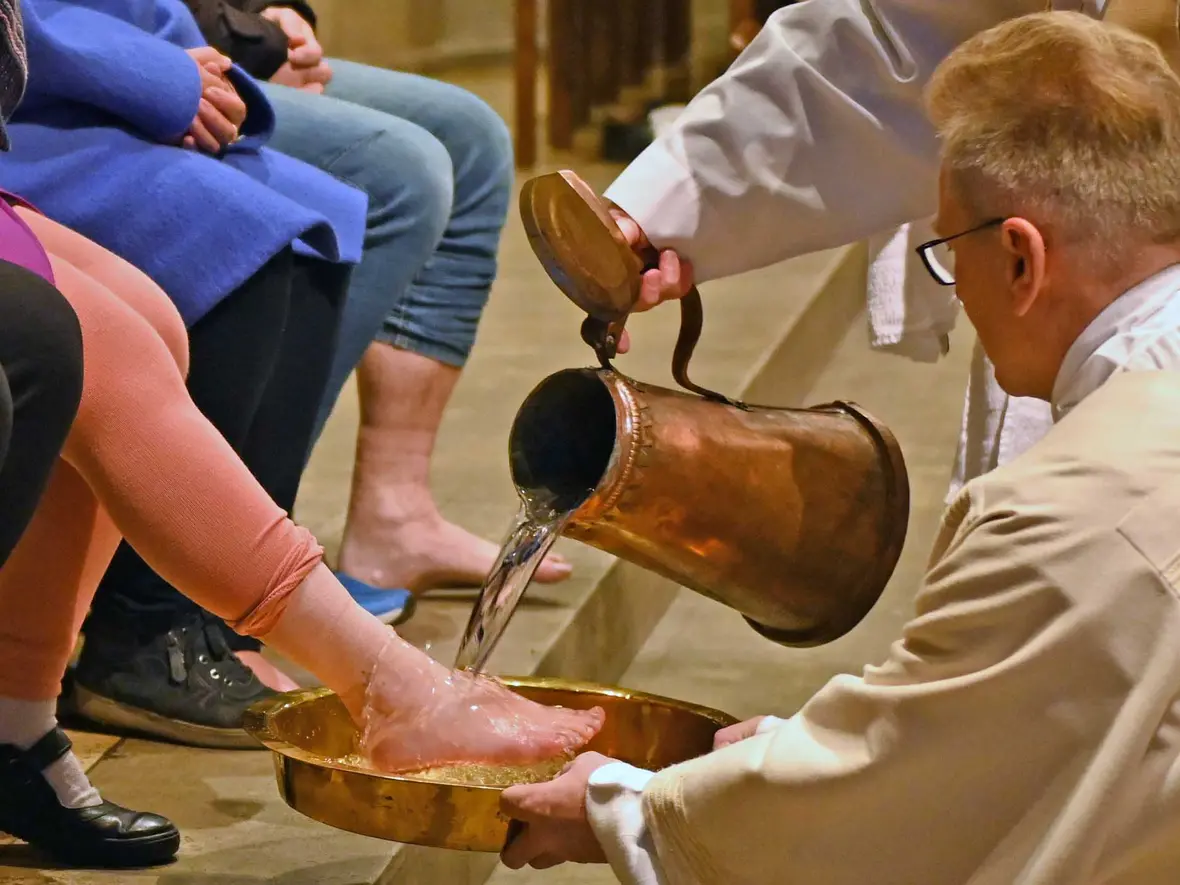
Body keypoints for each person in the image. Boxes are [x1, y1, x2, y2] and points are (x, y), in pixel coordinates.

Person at [497, 12, 1180, 883]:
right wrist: (797, 745)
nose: (958, 291)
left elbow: (915, 796)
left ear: (1019, 259)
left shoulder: (1077, 507)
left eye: (946, 249)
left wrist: (624, 807)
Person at [182, 0, 573, 607]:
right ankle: (236, 546)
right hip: (153, 57)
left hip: (226, 40)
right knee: (399, 171)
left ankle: (394, 517)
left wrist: (274, 12)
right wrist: (252, 44)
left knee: (468, 135)